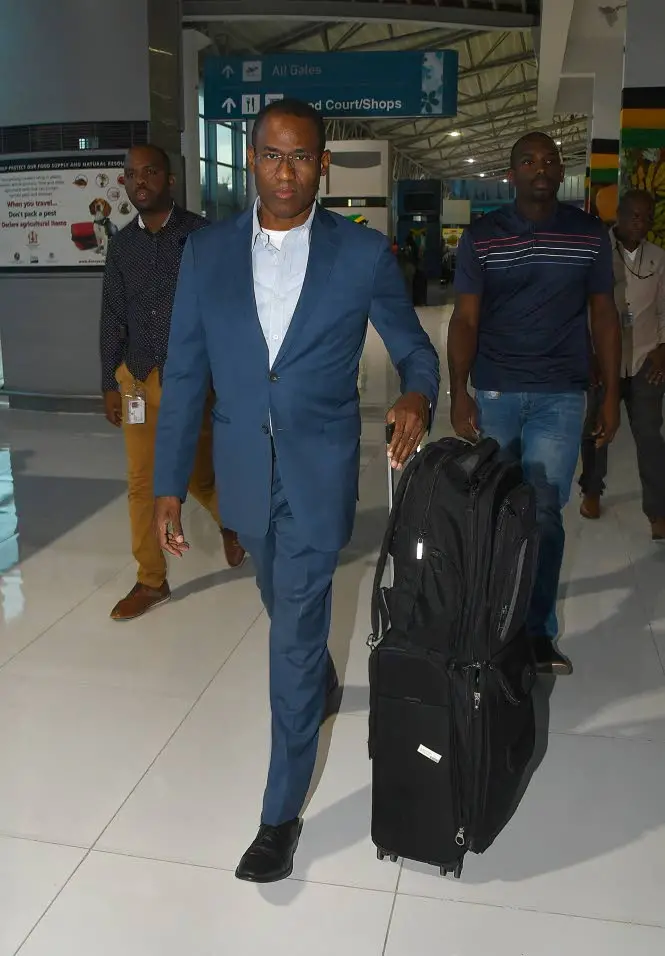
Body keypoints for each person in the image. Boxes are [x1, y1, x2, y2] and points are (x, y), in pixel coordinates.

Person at [152, 99, 439, 883]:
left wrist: (417, 395)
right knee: (280, 597)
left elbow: (416, 351)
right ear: (251, 160)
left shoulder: (363, 256)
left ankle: (277, 818)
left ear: (322, 164)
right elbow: (183, 374)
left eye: (302, 157)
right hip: (246, 477)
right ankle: (315, 669)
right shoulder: (205, 254)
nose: (286, 172)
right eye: (273, 156)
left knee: (291, 634)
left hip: (316, 475)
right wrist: (168, 483)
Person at [447, 131, 621, 677]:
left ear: (560, 169)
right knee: (494, 511)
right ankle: (491, 623)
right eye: (528, 160)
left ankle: (537, 631)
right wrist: (458, 391)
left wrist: (611, 393)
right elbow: (465, 319)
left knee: (544, 513)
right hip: (496, 390)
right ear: (511, 173)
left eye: (549, 160)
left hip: (561, 394)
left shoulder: (590, 234)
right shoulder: (483, 235)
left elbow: (605, 316)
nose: (540, 168)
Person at [100, 144, 245, 622]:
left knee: (199, 475)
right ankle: (151, 580)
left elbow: (229, 311)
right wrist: (108, 379)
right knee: (142, 483)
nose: (140, 181)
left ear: (170, 179)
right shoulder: (121, 246)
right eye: (132, 175)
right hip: (138, 379)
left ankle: (233, 523)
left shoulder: (203, 236)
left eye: (150, 172)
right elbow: (113, 317)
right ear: (124, 184)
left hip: (193, 381)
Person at [580, 190, 665, 538]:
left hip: (645, 359)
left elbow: (664, 309)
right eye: (634, 216)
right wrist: (589, 356)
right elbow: (581, 309)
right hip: (604, 359)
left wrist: (663, 348)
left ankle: (658, 512)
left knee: (650, 437)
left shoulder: (659, 257)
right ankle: (591, 491)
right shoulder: (596, 253)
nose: (641, 224)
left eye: (647, 218)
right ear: (619, 213)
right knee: (598, 429)